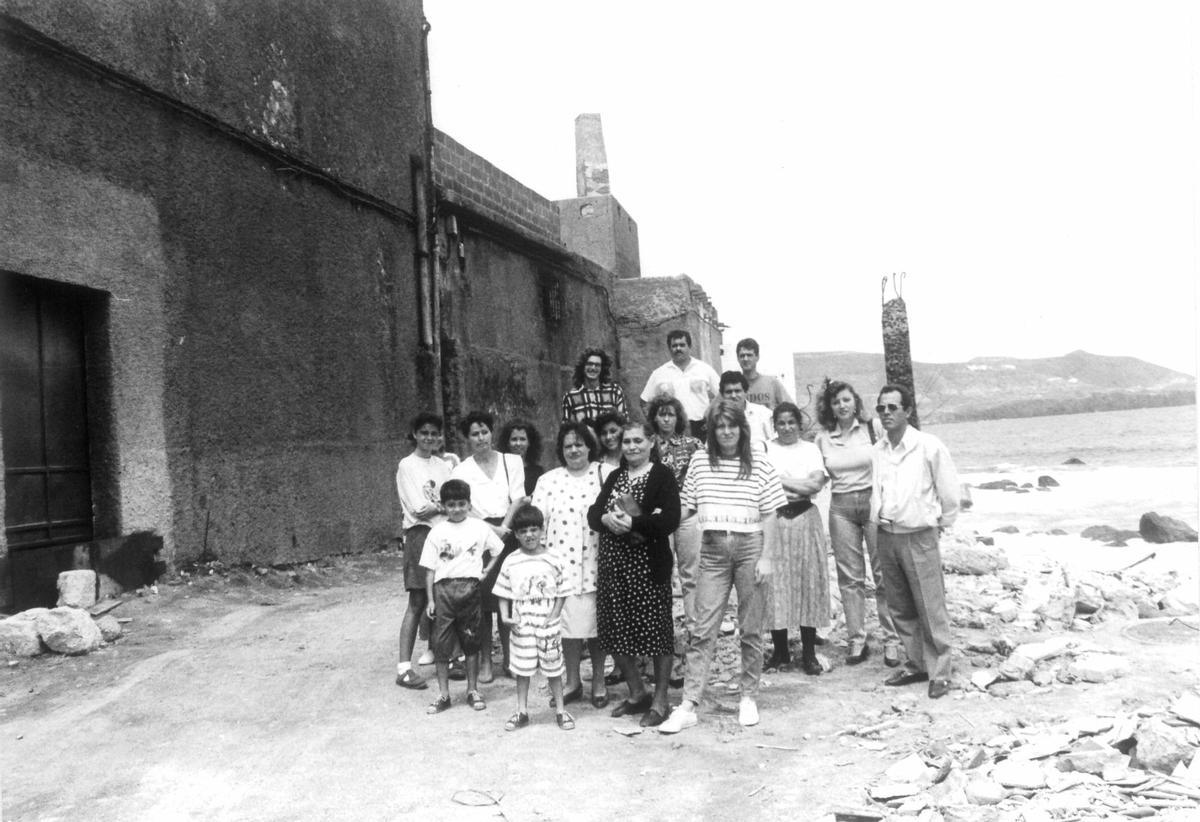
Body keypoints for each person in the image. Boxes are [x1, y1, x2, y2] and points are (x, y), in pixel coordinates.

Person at [659, 401, 787, 734]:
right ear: (712, 431)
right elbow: (686, 507)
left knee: (751, 627)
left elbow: (771, 512)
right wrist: (655, 522)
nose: (726, 432)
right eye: (719, 426)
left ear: (742, 429)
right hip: (713, 549)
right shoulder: (701, 461)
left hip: (750, 547)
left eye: (732, 425)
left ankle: (748, 697)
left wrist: (767, 557)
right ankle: (688, 704)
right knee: (703, 628)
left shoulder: (758, 461)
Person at [588, 421, 681, 727]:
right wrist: (605, 518)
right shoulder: (616, 475)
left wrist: (634, 524)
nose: (631, 446)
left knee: (656, 630)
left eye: (638, 440)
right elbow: (593, 513)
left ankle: (660, 699)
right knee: (617, 627)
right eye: (626, 441)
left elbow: (670, 519)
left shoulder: (662, 475)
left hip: (648, 564)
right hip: (615, 564)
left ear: (652, 442)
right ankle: (636, 692)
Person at [871, 384, 960, 700]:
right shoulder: (879, 450)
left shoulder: (928, 446)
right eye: (881, 408)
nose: (886, 413)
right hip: (887, 535)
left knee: (930, 605)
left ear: (907, 411)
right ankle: (916, 663)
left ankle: (940, 671)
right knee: (900, 605)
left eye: (892, 407)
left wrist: (941, 525)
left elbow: (950, 492)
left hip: (919, 535)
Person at [815, 380, 900, 668]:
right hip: (841, 508)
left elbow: (893, 461)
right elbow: (817, 476)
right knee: (850, 579)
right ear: (830, 407)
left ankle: (892, 640)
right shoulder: (822, 438)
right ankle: (856, 639)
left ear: (856, 402)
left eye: (846, 400)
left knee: (883, 574)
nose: (842, 405)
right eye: (836, 401)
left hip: (873, 503)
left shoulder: (873, 429)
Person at [530, 422, 613, 708]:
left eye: (579, 444)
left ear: (590, 446)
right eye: (568, 445)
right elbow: (537, 523)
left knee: (596, 626)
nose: (574, 450)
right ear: (560, 450)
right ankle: (573, 681)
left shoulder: (606, 474)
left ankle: (599, 680)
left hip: (598, 563)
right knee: (568, 627)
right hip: (561, 567)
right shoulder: (549, 481)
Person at [450, 411, 527, 683]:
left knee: (508, 595)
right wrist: (491, 530)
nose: (481, 438)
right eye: (474, 434)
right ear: (467, 439)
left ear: (491, 433)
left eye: (484, 432)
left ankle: (509, 658)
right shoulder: (461, 470)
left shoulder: (512, 461)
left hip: (509, 531)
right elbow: (463, 506)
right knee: (481, 600)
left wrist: (504, 528)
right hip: (478, 535)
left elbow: (518, 498)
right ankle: (485, 661)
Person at [420, 479, 504, 715]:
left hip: (470, 590)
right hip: (443, 591)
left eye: (461, 504)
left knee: (471, 641)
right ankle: (443, 693)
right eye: (451, 504)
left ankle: (472, 689)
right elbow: (429, 568)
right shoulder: (437, 531)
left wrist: (486, 571)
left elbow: (497, 549)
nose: (456, 509)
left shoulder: (479, 527)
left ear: (468, 504)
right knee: (441, 643)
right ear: (444, 506)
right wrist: (430, 599)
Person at [763, 402, 830, 675]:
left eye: (792, 422)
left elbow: (815, 485)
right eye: (782, 422)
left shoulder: (810, 449)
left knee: (807, 581)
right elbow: (763, 485)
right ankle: (780, 652)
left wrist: (780, 481)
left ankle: (809, 653)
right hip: (775, 519)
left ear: (799, 425)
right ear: (774, 425)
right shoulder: (766, 449)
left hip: (805, 517)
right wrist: (796, 484)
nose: (787, 427)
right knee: (775, 583)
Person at [493, 505, 574, 731]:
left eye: (533, 529)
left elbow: (562, 591)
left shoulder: (554, 557)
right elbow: (502, 592)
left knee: (554, 668)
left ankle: (560, 710)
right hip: (522, 623)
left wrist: (554, 616)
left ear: (542, 530)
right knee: (522, 669)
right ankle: (522, 711)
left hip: (547, 623)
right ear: (517, 535)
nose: (529, 535)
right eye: (523, 531)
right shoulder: (511, 560)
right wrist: (505, 617)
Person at [394, 413, 453, 690]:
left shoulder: (443, 465)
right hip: (420, 535)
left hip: (443, 536)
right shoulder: (407, 465)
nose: (429, 438)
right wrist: (444, 506)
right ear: (415, 434)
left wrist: (443, 507)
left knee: (443, 598)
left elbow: (455, 498)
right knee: (418, 601)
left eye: (434, 434)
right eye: (424, 433)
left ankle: (448, 658)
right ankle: (404, 668)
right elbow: (419, 508)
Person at [647, 396, 703, 628]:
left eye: (671, 414)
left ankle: (695, 624)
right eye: (662, 414)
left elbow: (703, 477)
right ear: (655, 417)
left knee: (691, 572)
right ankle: (663, 626)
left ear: (678, 417)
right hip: (659, 515)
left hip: (687, 511)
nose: (667, 419)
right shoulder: (648, 445)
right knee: (662, 572)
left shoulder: (694, 445)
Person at [639, 329, 720, 440]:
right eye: (674, 345)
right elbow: (644, 401)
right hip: (672, 429)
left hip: (701, 427)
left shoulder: (704, 369)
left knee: (701, 456)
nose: (678, 349)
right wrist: (655, 423)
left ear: (689, 346)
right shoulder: (659, 373)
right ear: (669, 348)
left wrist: (710, 413)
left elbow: (722, 394)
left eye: (682, 345)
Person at [561, 347, 628, 426]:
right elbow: (566, 428)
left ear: (602, 368)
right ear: (583, 367)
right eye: (589, 364)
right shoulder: (571, 396)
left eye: (597, 365)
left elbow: (624, 423)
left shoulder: (615, 391)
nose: (593, 368)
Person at [718, 371, 774, 448]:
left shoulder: (764, 414)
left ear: (746, 392)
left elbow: (775, 443)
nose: (733, 396)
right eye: (729, 392)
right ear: (722, 395)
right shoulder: (717, 417)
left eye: (737, 391)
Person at [736, 338, 793, 410]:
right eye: (742, 356)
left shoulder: (772, 382)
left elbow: (791, 409)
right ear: (738, 358)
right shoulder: (733, 386)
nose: (745, 359)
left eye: (749, 355)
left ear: (757, 357)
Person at [498, 418, 544, 496]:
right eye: (514, 439)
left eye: (522, 439)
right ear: (507, 443)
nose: (518, 443)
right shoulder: (499, 470)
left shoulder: (537, 472)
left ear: (529, 442)